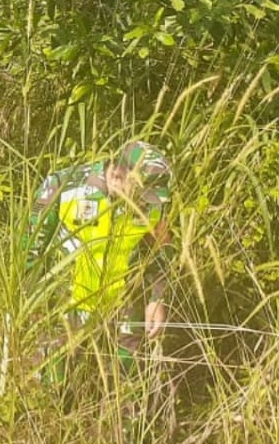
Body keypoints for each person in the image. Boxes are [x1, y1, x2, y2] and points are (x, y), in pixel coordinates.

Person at [22, 140, 174, 388]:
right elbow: (31, 248)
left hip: (122, 303)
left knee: (131, 389)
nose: (147, 202)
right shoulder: (63, 186)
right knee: (48, 388)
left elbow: (161, 251)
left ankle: (123, 426)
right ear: (117, 174)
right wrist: (29, 300)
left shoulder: (153, 204)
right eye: (142, 193)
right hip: (63, 303)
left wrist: (157, 298)